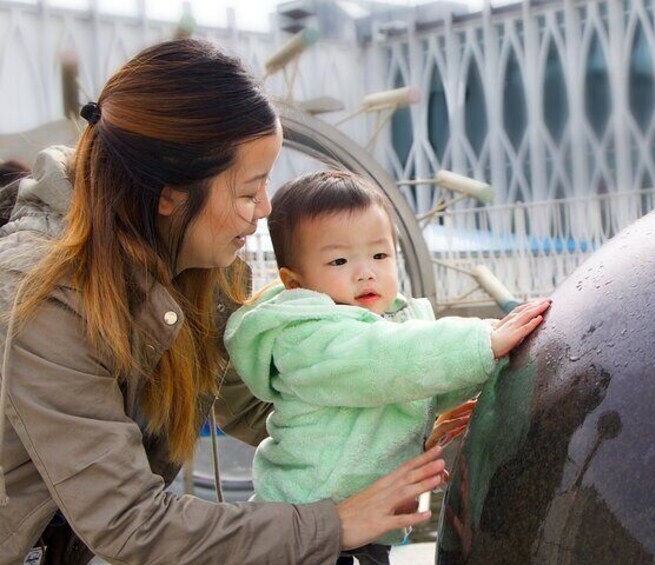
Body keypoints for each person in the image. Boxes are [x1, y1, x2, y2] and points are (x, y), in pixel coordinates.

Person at [0, 39, 446, 565]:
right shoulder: (44, 301)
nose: (266, 207)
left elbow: (265, 399)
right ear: (169, 194)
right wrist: (335, 524)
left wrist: (401, 408)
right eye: (247, 190)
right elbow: (129, 525)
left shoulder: (209, 264)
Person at [224, 171, 551, 565]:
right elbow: (383, 359)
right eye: (339, 260)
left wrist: (485, 372)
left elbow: (415, 379)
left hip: (362, 532)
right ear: (295, 283)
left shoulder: (390, 329)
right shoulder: (307, 338)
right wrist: (484, 342)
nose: (365, 271)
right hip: (305, 533)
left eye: (380, 255)